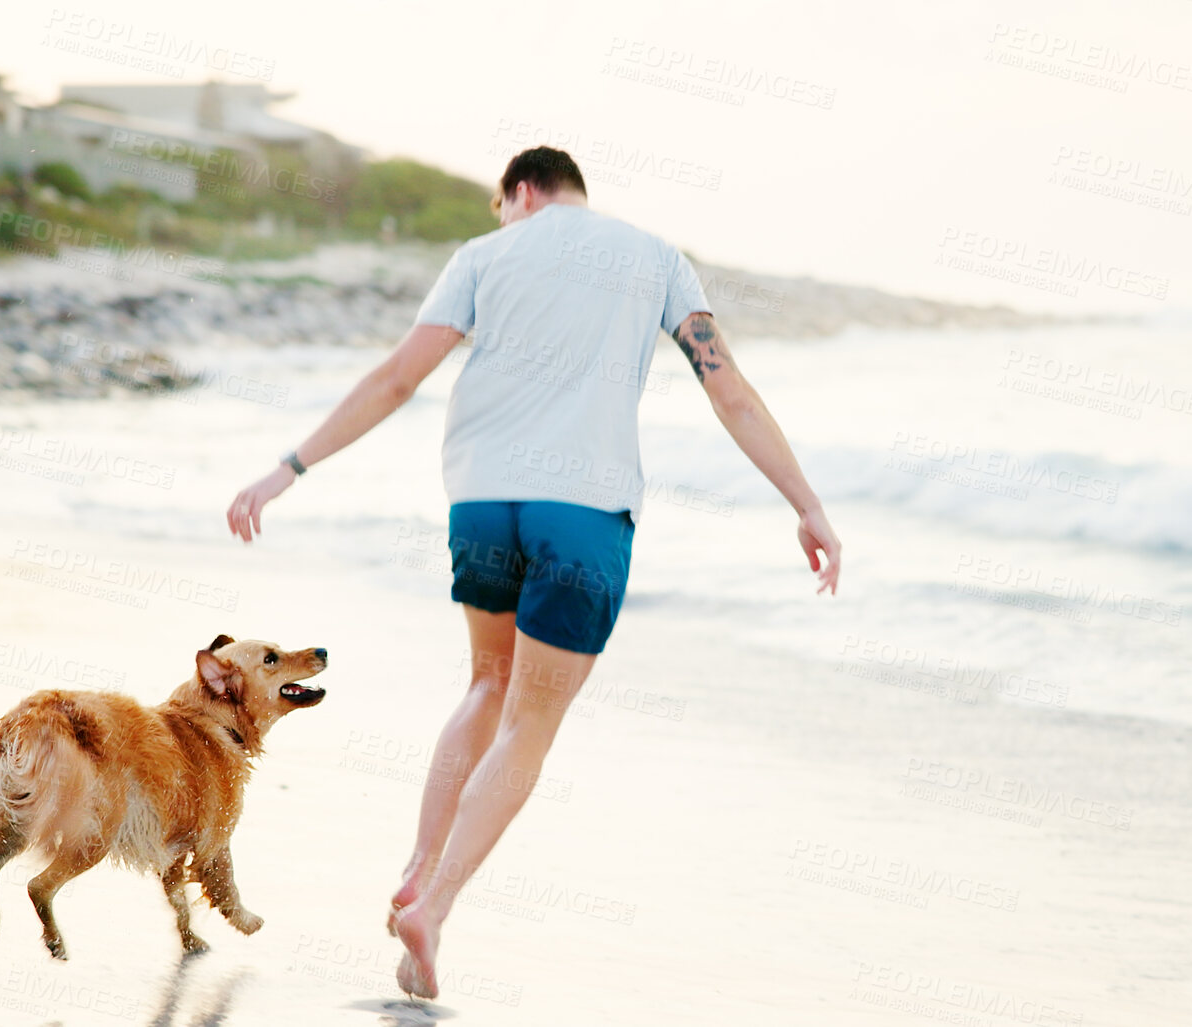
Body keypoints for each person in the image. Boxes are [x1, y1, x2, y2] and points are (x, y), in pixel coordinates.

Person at [223, 146, 841, 998]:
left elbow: (399, 377)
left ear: (520, 193)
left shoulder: (481, 258)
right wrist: (805, 503)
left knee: (485, 683)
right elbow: (725, 386)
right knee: (531, 723)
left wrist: (287, 467)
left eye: (499, 207)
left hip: (481, 506)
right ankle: (431, 906)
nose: (499, 220)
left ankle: (419, 862)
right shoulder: (655, 257)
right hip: (583, 515)